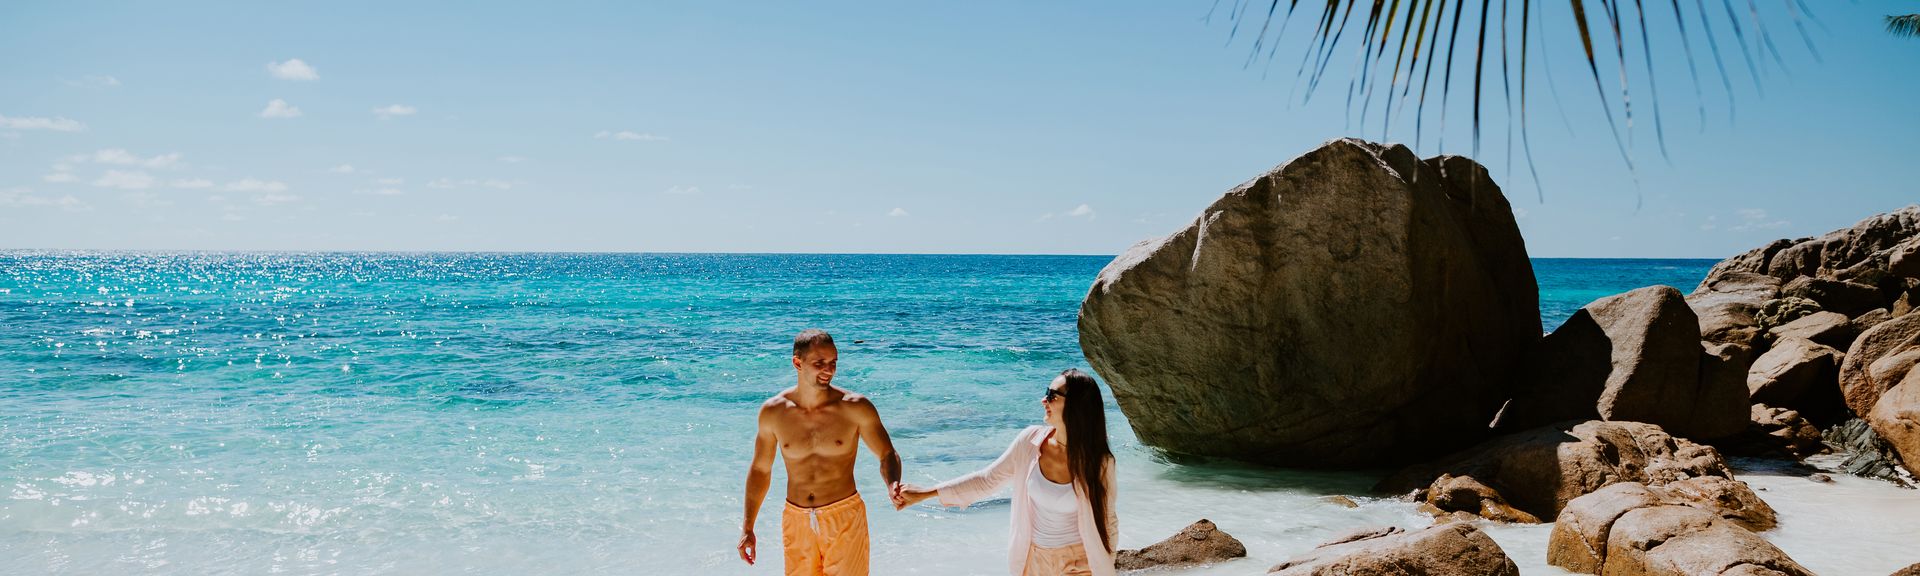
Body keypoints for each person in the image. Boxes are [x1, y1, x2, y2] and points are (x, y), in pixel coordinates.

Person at [895, 368, 1119, 576]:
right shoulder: (1029, 442)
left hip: (1079, 563)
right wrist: (925, 494)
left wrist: (1105, 566)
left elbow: (1108, 522)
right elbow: (987, 480)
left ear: (1076, 406)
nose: (1043, 400)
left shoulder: (1100, 462)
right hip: (1034, 560)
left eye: (1052, 395)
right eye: (1046, 393)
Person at [739, 329, 904, 575]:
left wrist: (892, 483)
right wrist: (748, 527)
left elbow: (887, 453)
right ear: (798, 362)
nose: (829, 369)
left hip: (844, 516)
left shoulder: (855, 407)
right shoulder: (773, 412)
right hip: (796, 520)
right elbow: (761, 469)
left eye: (833, 362)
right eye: (819, 363)